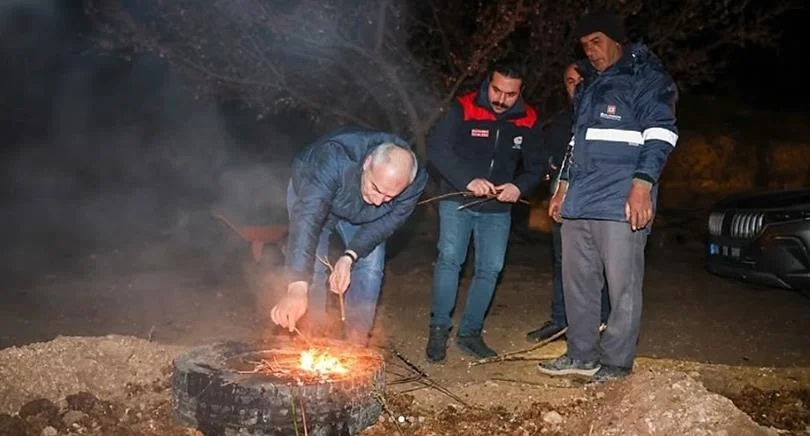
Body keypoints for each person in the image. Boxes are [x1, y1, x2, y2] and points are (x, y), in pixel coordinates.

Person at [538, 11, 679, 382]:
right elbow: (576, 141)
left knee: (623, 287)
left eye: (596, 41)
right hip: (581, 200)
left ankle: (616, 362)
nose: (591, 51)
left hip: (621, 201)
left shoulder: (646, 78)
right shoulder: (589, 84)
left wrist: (642, 185)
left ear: (617, 40)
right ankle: (581, 354)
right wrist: (562, 188)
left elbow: (661, 134)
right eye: (585, 45)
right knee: (577, 284)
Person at [425, 59, 546, 362]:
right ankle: (439, 328)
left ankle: (470, 333)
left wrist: (519, 186)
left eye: (510, 94)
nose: (501, 100)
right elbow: (438, 149)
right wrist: (467, 179)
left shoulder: (529, 119)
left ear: (520, 92)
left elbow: (536, 166)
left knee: (490, 268)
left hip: (498, 208)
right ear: (487, 83)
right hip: (458, 199)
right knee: (450, 260)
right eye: (496, 90)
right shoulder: (464, 108)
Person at [270, 126, 428, 346]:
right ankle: (310, 342)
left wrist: (349, 256)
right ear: (367, 162)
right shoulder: (334, 158)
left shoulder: (414, 182)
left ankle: (356, 348)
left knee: (370, 267)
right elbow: (308, 218)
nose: (379, 200)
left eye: (389, 196)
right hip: (315, 194)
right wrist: (296, 285)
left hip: (361, 212)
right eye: (375, 187)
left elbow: (387, 223)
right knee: (314, 268)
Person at [525, 64, 611, 343]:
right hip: (563, 198)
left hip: (598, 199)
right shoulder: (561, 121)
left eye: (581, 80)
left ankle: (601, 323)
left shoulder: (607, 115)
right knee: (563, 261)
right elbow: (549, 157)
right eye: (570, 81)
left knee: (600, 263)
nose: (576, 86)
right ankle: (560, 321)